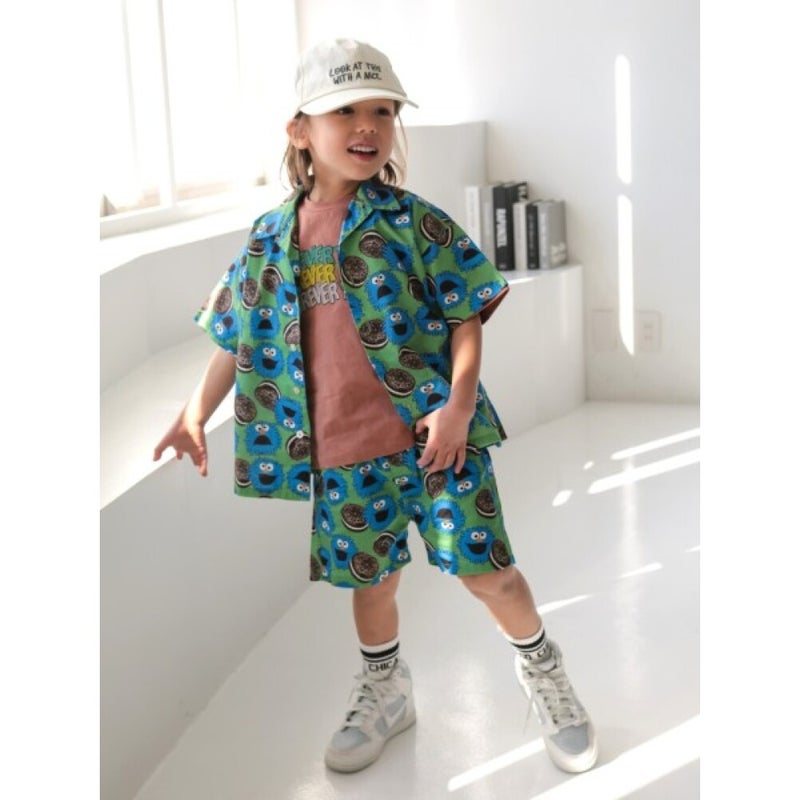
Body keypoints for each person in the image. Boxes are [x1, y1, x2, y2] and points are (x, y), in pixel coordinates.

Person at [153, 37, 598, 776]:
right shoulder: (268, 238)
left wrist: (459, 407)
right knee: (370, 584)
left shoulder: (412, 221)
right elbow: (238, 334)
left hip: (436, 439)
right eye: (346, 111)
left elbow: (464, 312)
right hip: (342, 452)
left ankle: (544, 671)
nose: (369, 126)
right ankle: (387, 690)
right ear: (300, 129)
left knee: (491, 574)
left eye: (383, 111)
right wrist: (196, 411)